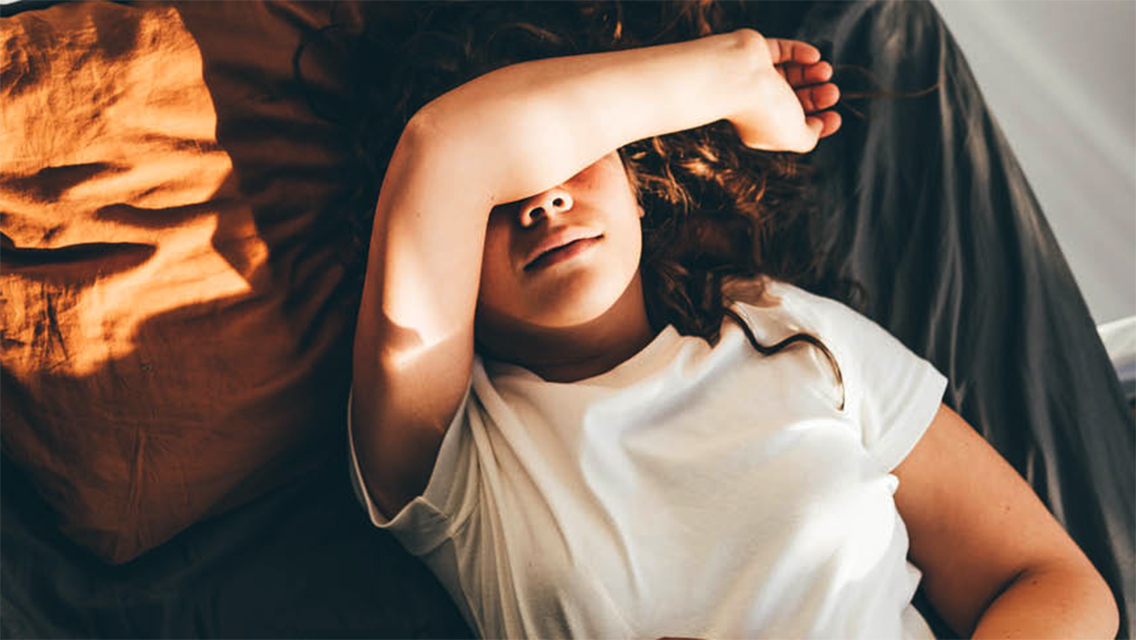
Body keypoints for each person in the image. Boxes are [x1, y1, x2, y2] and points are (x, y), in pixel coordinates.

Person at [344, 13, 1119, 640]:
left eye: (573, 157)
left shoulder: (782, 327)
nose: (540, 203)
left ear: (636, 181)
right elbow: (445, 149)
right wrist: (731, 76)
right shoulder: (454, 459)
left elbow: (1052, 583)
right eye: (495, 201)